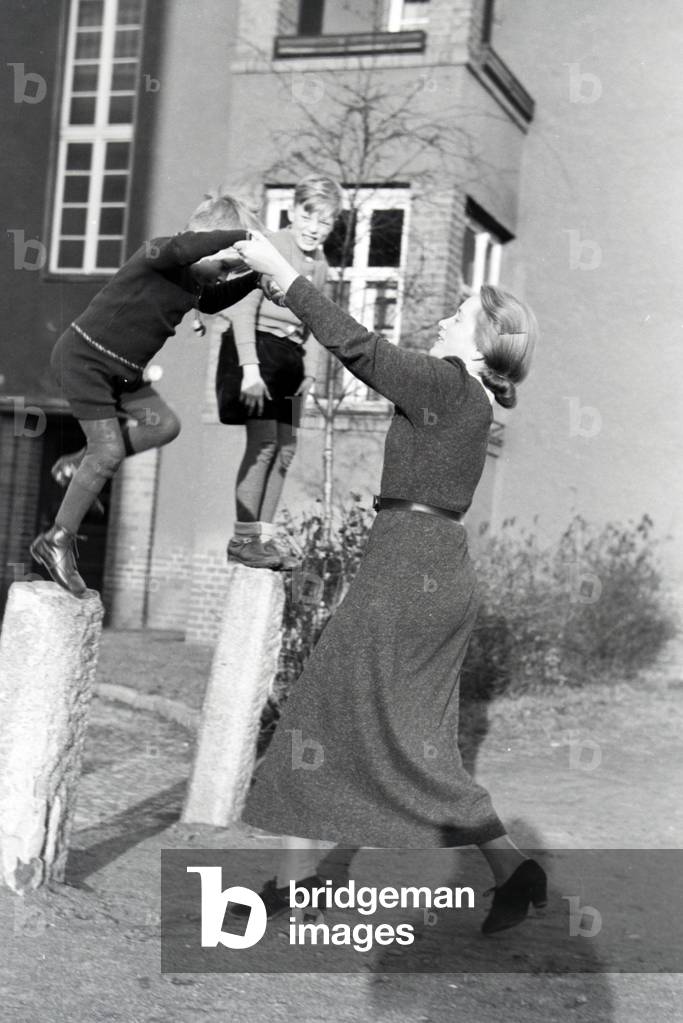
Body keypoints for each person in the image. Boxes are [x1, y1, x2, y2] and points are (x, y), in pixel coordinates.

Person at [231, 231, 546, 935]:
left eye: (459, 315)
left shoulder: (445, 382)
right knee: (402, 734)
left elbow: (357, 347)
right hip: (436, 566)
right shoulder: (473, 400)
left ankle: (295, 882)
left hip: (407, 568)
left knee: (326, 712)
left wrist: (280, 270)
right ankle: (510, 869)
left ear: (482, 345)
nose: (443, 319)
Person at [31, 194, 266, 597]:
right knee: (106, 451)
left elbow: (213, 301)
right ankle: (55, 540)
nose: (224, 276)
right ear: (206, 239)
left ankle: (78, 463)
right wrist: (242, 236)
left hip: (123, 375)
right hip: (85, 360)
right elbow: (184, 248)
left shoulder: (193, 282)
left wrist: (255, 278)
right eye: (225, 266)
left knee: (164, 426)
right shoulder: (159, 254)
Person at [215, 174, 343, 569]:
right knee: (265, 443)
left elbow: (316, 320)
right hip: (260, 354)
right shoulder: (270, 245)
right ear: (293, 211)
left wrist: (312, 374)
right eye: (308, 216)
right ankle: (243, 540)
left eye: (325, 220)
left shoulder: (320, 265)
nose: (314, 228)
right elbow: (242, 309)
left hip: (291, 363)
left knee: (286, 450)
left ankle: (264, 542)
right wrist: (250, 370)